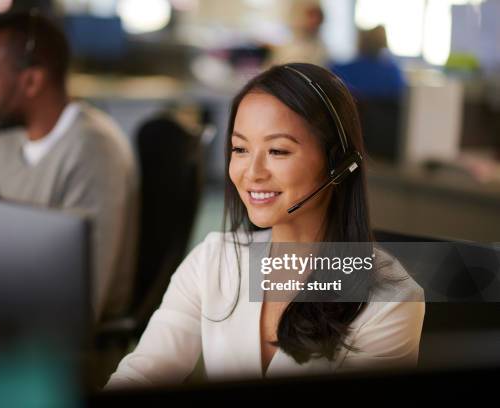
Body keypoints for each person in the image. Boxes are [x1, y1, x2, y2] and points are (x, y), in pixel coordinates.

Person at [105, 63, 424, 388]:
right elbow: (142, 374)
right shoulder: (212, 260)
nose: (252, 172)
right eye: (240, 149)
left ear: (338, 164)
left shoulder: (390, 300)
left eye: (277, 150)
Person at [0, 12, 139, 321]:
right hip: (10, 316)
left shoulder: (94, 152)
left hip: (69, 349)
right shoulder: (3, 146)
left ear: (32, 81)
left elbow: (84, 300)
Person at [330, 25, 406, 99]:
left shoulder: (352, 69)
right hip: (384, 110)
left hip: (359, 110)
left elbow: (332, 73)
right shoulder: (391, 69)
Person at [268, 1, 328, 67]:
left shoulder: (320, 48)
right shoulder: (287, 47)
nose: (314, 20)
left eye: (317, 15)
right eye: (311, 15)